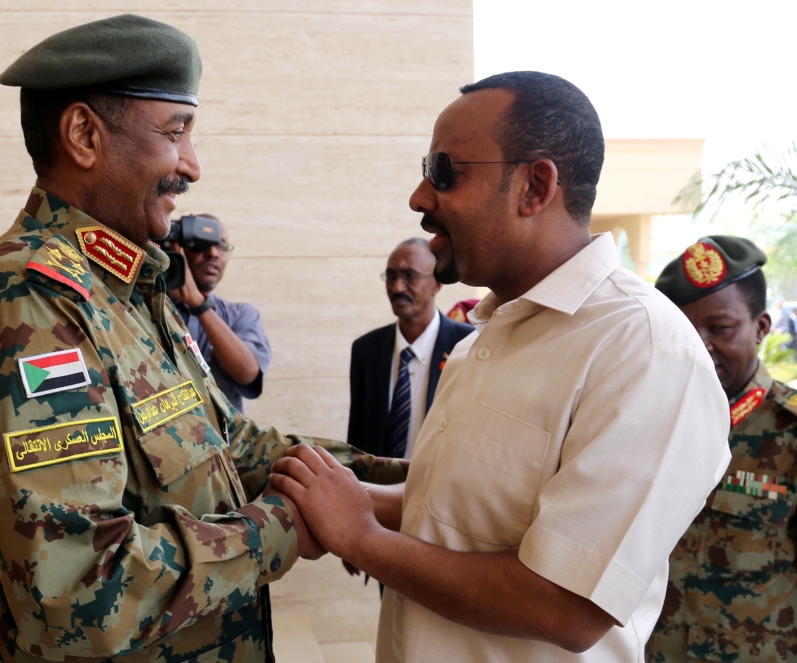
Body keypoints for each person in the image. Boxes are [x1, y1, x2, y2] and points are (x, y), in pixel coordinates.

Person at [0, 15, 404, 663]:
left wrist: (410, 483)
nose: (193, 166)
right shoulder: (29, 303)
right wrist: (292, 524)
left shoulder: (128, 286)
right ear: (84, 135)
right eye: (176, 132)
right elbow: (86, 594)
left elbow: (225, 444)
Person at [269, 71, 732, 662]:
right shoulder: (485, 338)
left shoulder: (642, 350)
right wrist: (337, 496)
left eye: (444, 171)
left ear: (535, 187)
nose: (418, 197)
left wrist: (360, 537)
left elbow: (565, 606)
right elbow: (452, 508)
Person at [647, 236, 797, 662]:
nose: (699, 344)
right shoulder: (645, 422)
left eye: (720, 328)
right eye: (684, 328)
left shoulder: (789, 432)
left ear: (762, 327)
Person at [347, 238, 473, 458]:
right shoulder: (365, 350)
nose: (397, 287)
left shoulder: (467, 345)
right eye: (391, 275)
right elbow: (357, 439)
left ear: (436, 283)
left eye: (410, 276)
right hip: (376, 488)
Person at [168, 214, 272, 413]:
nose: (213, 253)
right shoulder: (149, 304)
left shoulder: (241, 314)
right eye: (202, 243)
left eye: (222, 246)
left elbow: (248, 373)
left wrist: (198, 304)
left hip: (226, 440)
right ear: (178, 247)